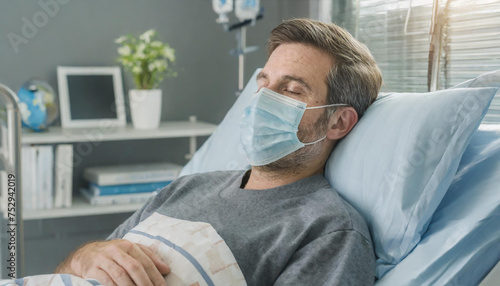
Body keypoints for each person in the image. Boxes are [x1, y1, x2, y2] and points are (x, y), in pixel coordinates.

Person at [56, 18, 382, 286]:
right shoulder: (187, 187)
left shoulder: (327, 231)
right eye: (262, 84)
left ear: (338, 122)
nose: (262, 101)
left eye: (291, 90)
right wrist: (85, 256)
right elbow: (66, 275)